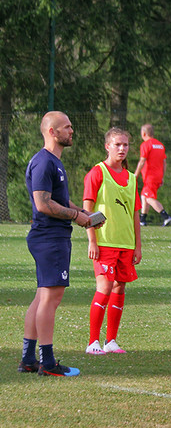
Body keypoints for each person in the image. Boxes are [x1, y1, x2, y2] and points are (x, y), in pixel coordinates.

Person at [20, 111, 95, 377]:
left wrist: (84, 215)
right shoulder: (44, 163)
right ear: (52, 132)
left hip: (52, 237)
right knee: (51, 298)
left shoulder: (55, 162)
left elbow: (60, 202)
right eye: (67, 127)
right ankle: (47, 362)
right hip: (49, 238)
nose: (72, 130)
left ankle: (29, 358)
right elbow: (43, 204)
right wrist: (76, 216)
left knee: (42, 296)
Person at [83, 128, 142, 355]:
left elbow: (135, 214)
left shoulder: (132, 178)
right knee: (104, 288)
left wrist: (137, 245)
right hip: (104, 242)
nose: (122, 149)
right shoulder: (97, 173)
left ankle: (111, 341)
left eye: (125, 145)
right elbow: (87, 210)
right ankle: (92, 342)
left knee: (119, 288)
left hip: (126, 244)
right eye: (117, 144)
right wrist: (92, 241)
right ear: (107, 146)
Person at [135, 124, 171, 226]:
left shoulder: (145, 145)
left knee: (148, 198)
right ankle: (142, 220)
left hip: (149, 176)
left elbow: (142, 161)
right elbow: (164, 162)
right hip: (158, 176)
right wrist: (162, 177)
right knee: (144, 196)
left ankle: (166, 217)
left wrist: (135, 175)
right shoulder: (160, 145)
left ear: (143, 133)